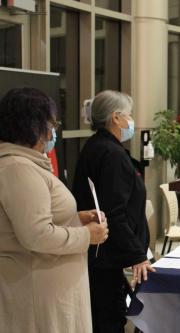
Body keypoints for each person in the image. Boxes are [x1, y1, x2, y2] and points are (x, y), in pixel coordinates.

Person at [0, 87, 108, 333]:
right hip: (38, 295)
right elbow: (36, 235)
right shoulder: (19, 169)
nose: (53, 131)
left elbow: (36, 218)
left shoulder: (27, 164)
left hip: (48, 289)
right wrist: (86, 236)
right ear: (32, 125)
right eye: (51, 123)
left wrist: (76, 219)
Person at [72, 90, 154, 333]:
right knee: (109, 318)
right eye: (129, 115)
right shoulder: (111, 153)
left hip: (103, 254)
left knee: (105, 315)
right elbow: (114, 211)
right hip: (105, 255)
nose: (131, 121)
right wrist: (138, 254)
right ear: (116, 118)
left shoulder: (98, 146)